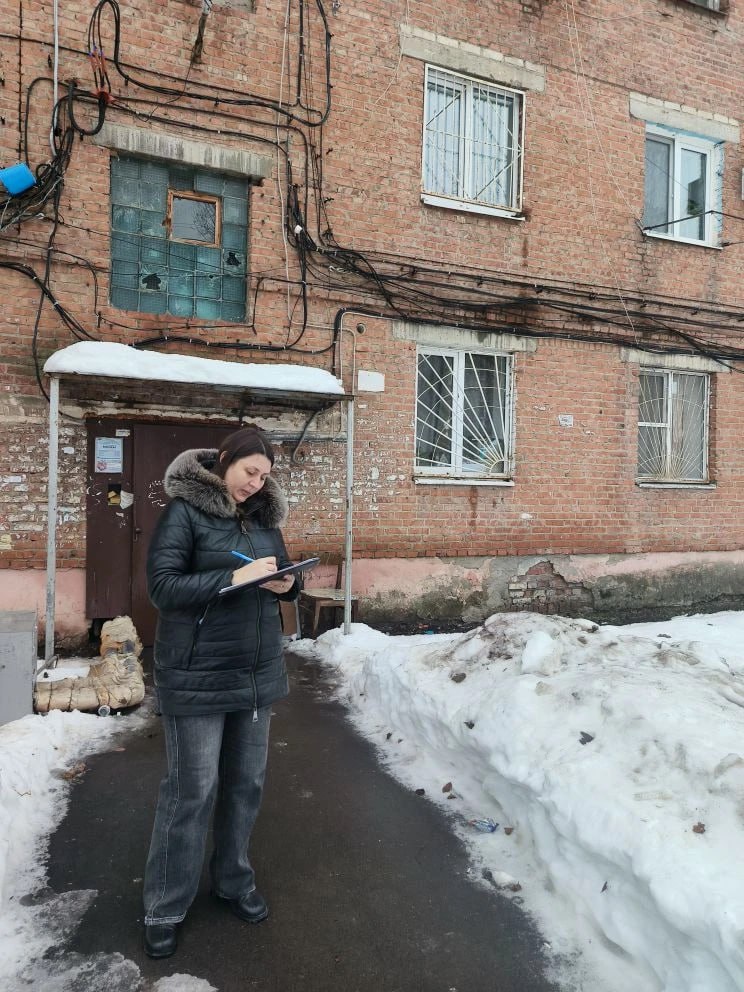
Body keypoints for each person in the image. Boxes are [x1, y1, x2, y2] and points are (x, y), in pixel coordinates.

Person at [142, 424, 299, 959]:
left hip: (255, 671)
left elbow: (281, 571)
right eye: (250, 472)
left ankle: (233, 880)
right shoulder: (184, 512)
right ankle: (165, 905)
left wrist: (288, 583)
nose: (256, 483)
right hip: (197, 673)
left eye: (264, 477)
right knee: (191, 792)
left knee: (244, 786)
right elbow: (162, 587)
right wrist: (230, 580)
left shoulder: (264, 516)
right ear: (226, 459)